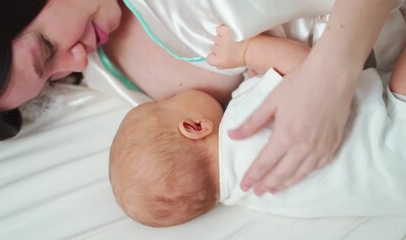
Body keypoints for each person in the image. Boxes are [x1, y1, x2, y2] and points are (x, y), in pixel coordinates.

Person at [0, 0, 404, 194]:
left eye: (47, 51)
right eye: (50, 80)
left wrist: (329, 74)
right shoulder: (99, 74)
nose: (72, 65)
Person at [109, 34, 406, 227]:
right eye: (171, 101)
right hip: (396, 126)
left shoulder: (255, 196)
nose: (175, 94)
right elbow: (310, 72)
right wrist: (247, 51)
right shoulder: (240, 124)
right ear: (195, 127)